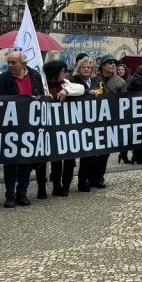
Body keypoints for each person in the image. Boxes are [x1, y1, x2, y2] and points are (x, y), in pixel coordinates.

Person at [0, 51, 45, 207]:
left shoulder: (35, 76)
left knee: (26, 161)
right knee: (10, 162)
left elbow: (41, 95)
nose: (9, 65)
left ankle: (22, 193)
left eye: (13, 62)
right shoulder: (3, 78)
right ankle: (10, 195)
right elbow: (2, 100)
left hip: (30, 125)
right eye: (8, 62)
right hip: (11, 126)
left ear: (23, 63)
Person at [44, 60, 84, 196]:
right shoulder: (44, 86)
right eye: (63, 71)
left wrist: (66, 90)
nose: (65, 73)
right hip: (50, 128)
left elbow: (81, 89)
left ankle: (66, 184)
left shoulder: (66, 84)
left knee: (69, 158)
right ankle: (56, 185)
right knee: (55, 159)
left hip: (67, 128)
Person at [88, 56, 128, 187]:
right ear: (103, 65)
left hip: (110, 121)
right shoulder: (93, 79)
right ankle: (90, 177)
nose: (113, 65)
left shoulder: (121, 82)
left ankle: (99, 177)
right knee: (92, 151)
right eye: (110, 63)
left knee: (105, 152)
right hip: (93, 120)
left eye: (114, 63)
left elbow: (123, 102)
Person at [70, 57, 100, 193]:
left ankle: (90, 179)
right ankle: (80, 182)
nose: (86, 69)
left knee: (91, 154)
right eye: (84, 67)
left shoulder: (96, 81)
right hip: (78, 121)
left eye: (89, 67)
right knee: (82, 153)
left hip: (93, 121)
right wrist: (88, 92)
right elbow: (74, 92)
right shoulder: (73, 80)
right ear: (79, 68)